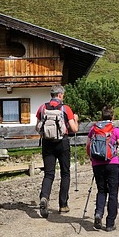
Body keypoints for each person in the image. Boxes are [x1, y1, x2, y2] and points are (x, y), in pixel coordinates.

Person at [35, 85, 79, 217]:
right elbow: (74, 129)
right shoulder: (65, 109)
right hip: (62, 143)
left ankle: (44, 197)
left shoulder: (42, 108)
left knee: (49, 174)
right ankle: (63, 205)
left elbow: (37, 128)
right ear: (60, 95)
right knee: (65, 173)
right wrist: (75, 120)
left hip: (47, 143)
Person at [87, 106, 119, 231]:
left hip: (97, 164)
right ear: (112, 117)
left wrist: (92, 159)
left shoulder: (93, 129)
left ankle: (98, 213)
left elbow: (88, 147)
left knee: (101, 190)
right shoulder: (115, 130)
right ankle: (110, 223)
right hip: (112, 163)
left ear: (101, 117)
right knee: (113, 193)